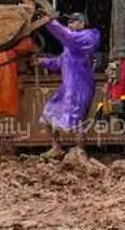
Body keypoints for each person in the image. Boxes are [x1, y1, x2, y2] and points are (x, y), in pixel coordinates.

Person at [38, 12, 101, 158]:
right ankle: (56, 148)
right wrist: (43, 62)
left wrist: (50, 22)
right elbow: (61, 62)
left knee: (76, 121)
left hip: (79, 87)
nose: (70, 24)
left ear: (82, 23)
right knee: (48, 115)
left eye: (73, 22)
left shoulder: (87, 37)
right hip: (67, 87)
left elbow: (67, 36)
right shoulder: (71, 44)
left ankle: (80, 152)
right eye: (69, 22)